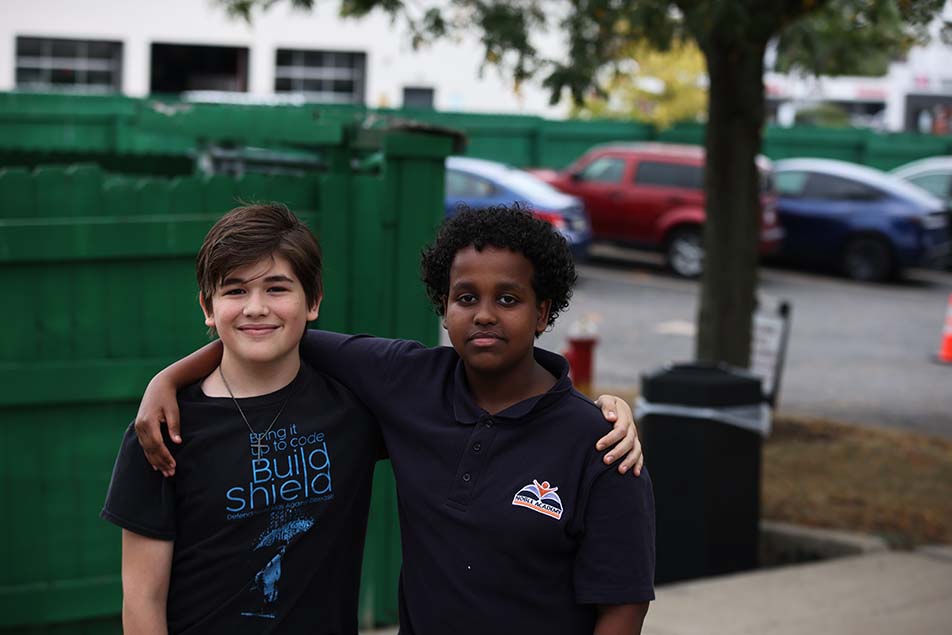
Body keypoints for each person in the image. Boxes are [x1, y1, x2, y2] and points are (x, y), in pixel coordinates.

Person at [135, 205, 654, 634]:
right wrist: (169, 379)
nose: (485, 314)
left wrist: (604, 407)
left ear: (543, 312)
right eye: (466, 298)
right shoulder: (405, 381)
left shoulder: (601, 444)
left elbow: (624, 606)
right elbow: (266, 336)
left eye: (510, 299)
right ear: (443, 306)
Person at [102, 204, 383, 633]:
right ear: (208, 307)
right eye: (234, 291)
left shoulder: (354, 409)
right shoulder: (164, 431)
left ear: (313, 301)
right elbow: (142, 600)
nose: (255, 308)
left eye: (276, 289)